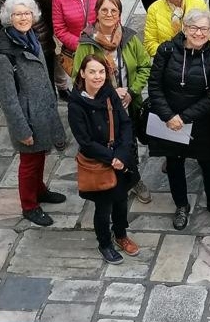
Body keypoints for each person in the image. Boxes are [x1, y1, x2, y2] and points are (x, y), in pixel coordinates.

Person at [0, 0, 68, 227]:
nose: (23, 18)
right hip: (27, 117)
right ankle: (29, 205)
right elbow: (8, 99)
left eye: (27, 13)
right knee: (29, 162)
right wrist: (21, 130)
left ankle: (40, 190)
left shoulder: (30, 37)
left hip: (41, 109)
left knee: (40, 154)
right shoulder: (4, 55)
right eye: (17, 14)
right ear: (8, 18)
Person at [147, 9, 210, 229]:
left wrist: (184, 117)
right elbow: (155, 85)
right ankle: (181, 205)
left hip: (200, 121)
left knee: (209, 162)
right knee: (174, 162)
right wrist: (169, 116)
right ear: (184, 28)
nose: (199, 33)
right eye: (194, 28)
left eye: (205, 29)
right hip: (169, 119)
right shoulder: (166, 50)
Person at [73, 0, 153, 202]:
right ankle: (109, 181)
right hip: (100, 108)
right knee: (107, 144)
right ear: (97, 14)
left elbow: (145, 65)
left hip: (127, 103)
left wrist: (132, 90)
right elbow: (78, 76)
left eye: (114, 11)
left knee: (129, 143)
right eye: (104, 10)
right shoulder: (86, 43)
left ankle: (133, 179)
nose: (109, 14)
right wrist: (108, 91)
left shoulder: (129, 38)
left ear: (119, 15)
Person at [69, 55, 140, 265]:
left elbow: (125, 124)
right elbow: (85, 141)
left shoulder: (109, 93)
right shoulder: (76, 105)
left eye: (101, 72)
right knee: (103, 208)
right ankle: (104, 243)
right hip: (99, 162)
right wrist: (112, 158)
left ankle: (121, 234)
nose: (97, 76)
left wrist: (122, 154)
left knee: (121, 200)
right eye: (92, 72)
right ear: (82, 74)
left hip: (119, 155)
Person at [52, 0, 112, 95]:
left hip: (105, 48)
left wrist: (107, 38)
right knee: (85, 91)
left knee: (110, 87)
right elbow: (59, 29)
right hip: (79, 53)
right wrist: (81, 45)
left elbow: (114, 13)